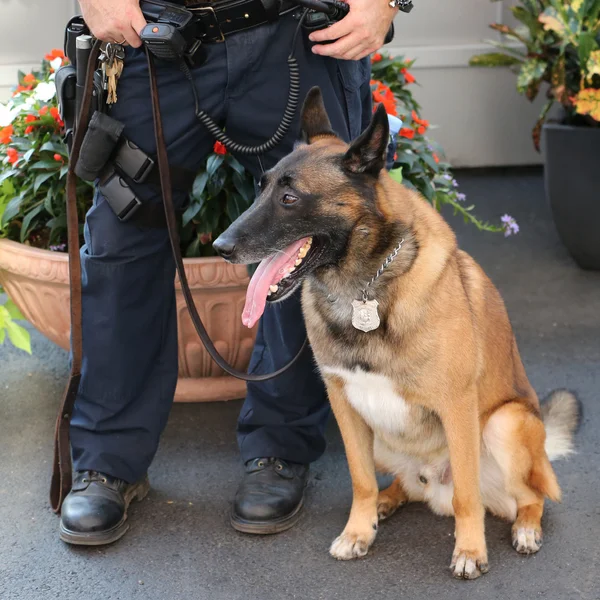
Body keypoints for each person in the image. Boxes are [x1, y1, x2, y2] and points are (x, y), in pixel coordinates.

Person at [59, 0, 400, 545]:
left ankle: (280, 448)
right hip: (150, 34)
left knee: (314, 238)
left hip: (298, 33)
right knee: (124, 240)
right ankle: (108, 459)